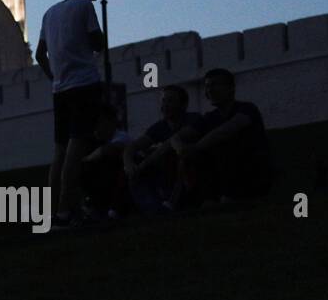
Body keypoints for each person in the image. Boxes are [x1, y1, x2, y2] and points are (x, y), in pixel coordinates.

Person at [35, 0, 106, 227]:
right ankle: (66, 210)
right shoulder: (84, 7)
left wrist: (54, 77)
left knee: (60, 151)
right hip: (85, 86)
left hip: (60, 90)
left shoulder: (49, 13)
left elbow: (40, 54)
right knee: (77, 147)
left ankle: (55, 211)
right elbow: (98, 43)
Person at [170, 69, 271, 206]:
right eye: (207, 86)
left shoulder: (247, 109)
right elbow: (176, 138)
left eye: (215, 85)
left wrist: (195, 148)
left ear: (231, 88)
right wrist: (181, 150)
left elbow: (226, 130)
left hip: (252, 171)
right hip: (223, 173)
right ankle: (202, 198)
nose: (210, 90)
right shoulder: (209, 117)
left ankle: (228, 196)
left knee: (225, 146)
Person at [120, 84, 199, 214]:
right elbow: (132, 147)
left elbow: (169, 145)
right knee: (133, 163)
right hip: (167, 170)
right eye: (163, 101)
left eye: (170, 101)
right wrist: (128, 164)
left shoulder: (193, 119)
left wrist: (141, 166)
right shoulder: (160, 126)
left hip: (192, 167)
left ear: (183, 105)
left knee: (177, 156)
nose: (165, 105)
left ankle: (173, 202)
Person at [78, 104, 132, 218]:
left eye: (99, 123)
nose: (96, 128)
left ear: (111, 122)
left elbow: (108, 150)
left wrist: (86, 159)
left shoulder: (121, 137)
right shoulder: (97, 142)